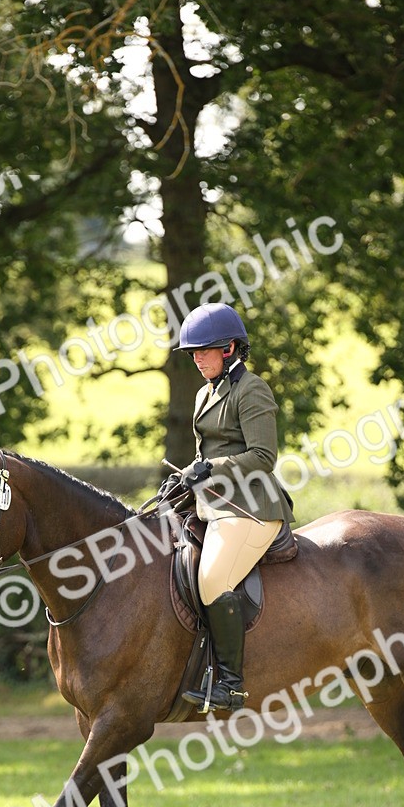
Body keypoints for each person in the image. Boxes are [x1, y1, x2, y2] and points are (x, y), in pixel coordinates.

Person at [162, 302, 295, 712]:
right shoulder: (205, 392)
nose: (197, 359)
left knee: (214, 578)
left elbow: (262, 456)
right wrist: (186, 477)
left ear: (230, 349)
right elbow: (209, 455)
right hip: (212, 505)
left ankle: (232, 685)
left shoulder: (251, 389)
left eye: (204, 350)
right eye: (193, 353)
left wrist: (209, 468)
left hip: (251, 507)